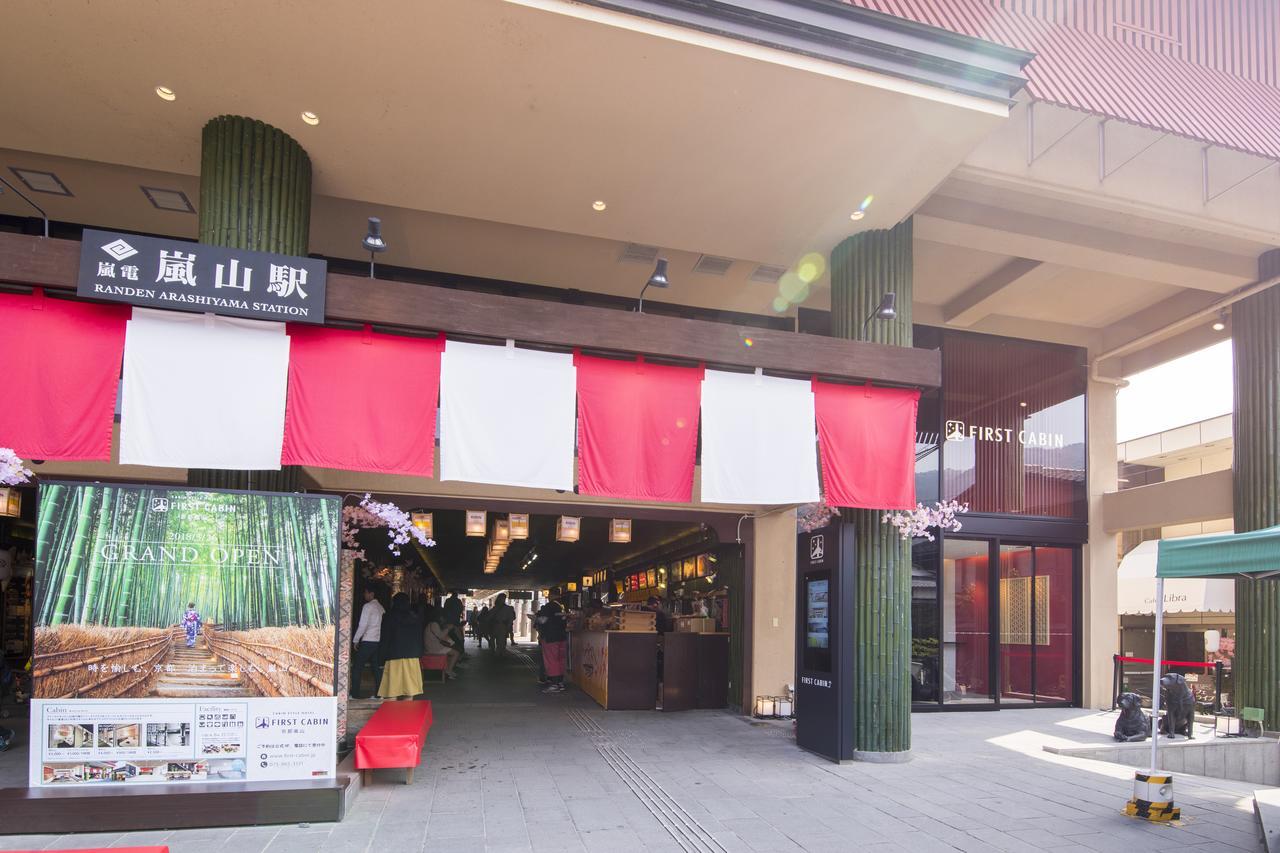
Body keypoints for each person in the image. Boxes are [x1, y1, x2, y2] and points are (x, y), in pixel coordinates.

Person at [376, 593, 425, 700]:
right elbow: (419, 638)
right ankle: (407, 715)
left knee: (392, 692)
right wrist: (420, 654)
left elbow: (385, 639)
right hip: (412, 657)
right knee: (409, 692)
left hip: (394, 657)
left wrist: (380, 659)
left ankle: (392, 715)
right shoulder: (415, 617)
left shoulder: (389, 616)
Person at [350, 586, 385, 699]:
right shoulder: (380, 607)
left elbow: (363, 625)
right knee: (376, 667)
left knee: (357, 667)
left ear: (371, 593)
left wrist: (356, 639)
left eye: (365, 592)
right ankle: (378, 694)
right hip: (377, 641)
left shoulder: (368, 606)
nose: (364, 595)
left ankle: (354, 694)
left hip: (368, 640)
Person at [535, 600, 568, 694]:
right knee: (560, 659)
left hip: (550, 637)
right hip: (562, 637)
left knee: (552, 660)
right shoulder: (561, 609)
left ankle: (554, 684)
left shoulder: (547, 608)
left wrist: (536, 618)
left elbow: (542, 620)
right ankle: (560, 682)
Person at [424, 610, 462, 679]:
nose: (444, 619)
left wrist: (451, 642)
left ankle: (448, 669)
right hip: (434, 648)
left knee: (453, 650)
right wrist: (448, 629)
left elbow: (440, 636)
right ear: (439, 617)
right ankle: (449, 670)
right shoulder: (434, 624)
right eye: (443, 618)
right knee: (456, 653)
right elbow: (441, 636)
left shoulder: (431, 624)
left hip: (432, 646)